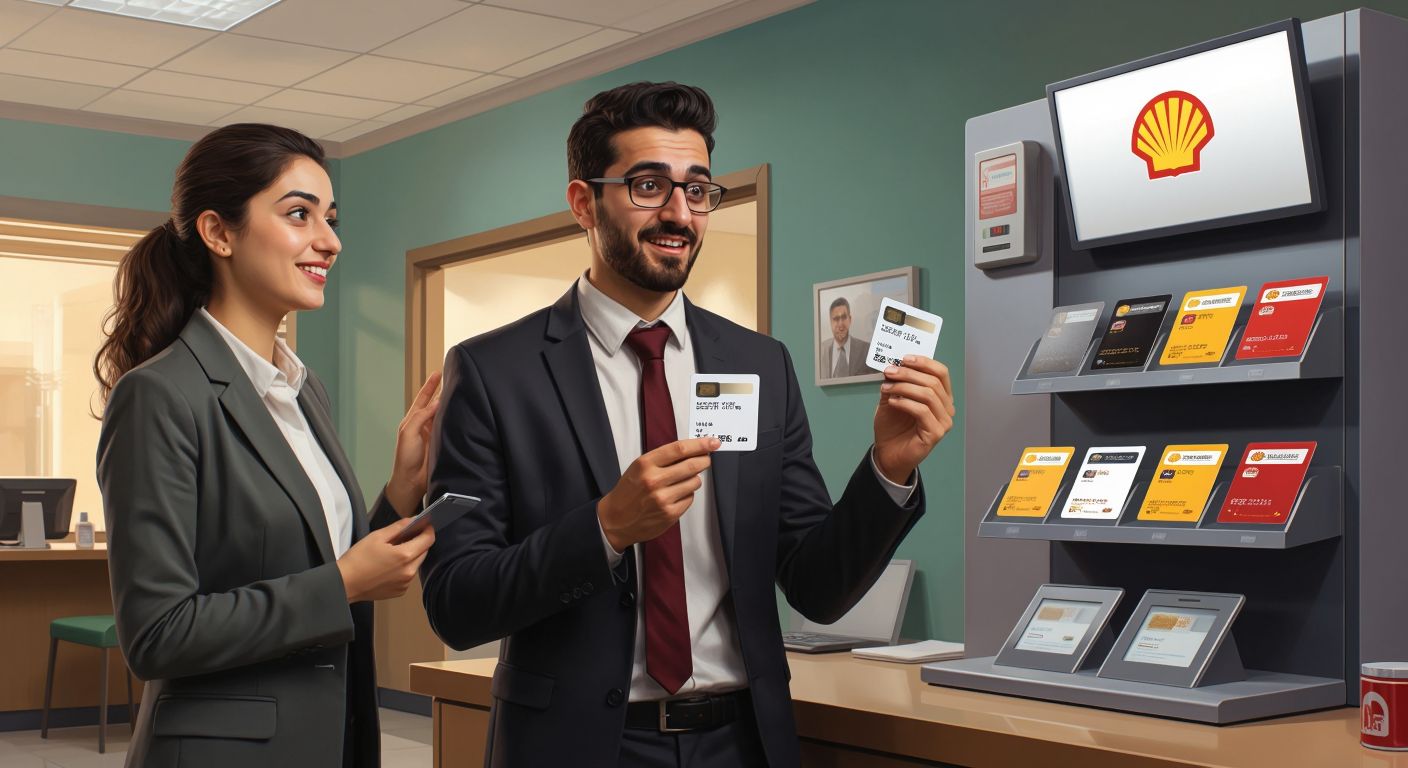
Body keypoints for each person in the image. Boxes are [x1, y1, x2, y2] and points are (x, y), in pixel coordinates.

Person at [421, 82, 955, 767]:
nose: (679, 212)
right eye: (648, 185)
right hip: (579, 747)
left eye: (698, 190)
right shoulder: (496, 371)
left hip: (741, 743)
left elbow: (817, 589)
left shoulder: (760, 363)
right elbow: (456, 601)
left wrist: (890, 468)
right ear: (584, 202)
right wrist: (606, 528)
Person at [94, 123, 440, 768]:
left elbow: (313, 559)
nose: (329, 241)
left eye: (330, 218)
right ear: (218, 232)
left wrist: (400, 492)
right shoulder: (160, 395)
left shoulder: (305, 393)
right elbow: (157, 635)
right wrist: (342, 583)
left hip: (332, 738)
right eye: (298, 214)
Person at [819, 296, 870, 378]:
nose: (840, 324)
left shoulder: (866, 350)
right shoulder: (820, 351)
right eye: (836, 319)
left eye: (844, 317)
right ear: (830, 322)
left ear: (850, 319)